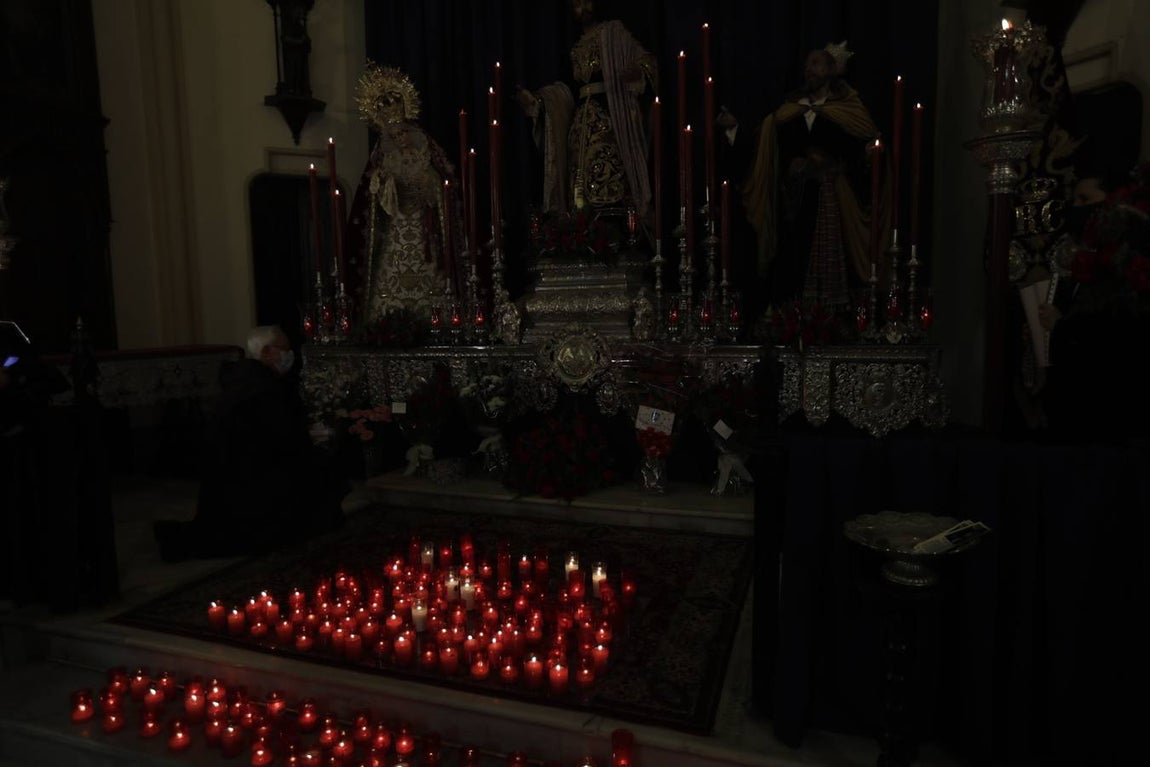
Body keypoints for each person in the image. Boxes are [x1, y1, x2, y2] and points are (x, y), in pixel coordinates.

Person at [154, 325, 346, 560]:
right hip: (252, 483)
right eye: (284, 350)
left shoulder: (242, 379)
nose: (289, 356)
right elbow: (285, 444)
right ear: (266, 352)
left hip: (235, 475)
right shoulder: (261, 390)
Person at [730, 42, 882, 310]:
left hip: (831, 198)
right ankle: (791, 318)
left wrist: (867, 154)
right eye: (807, 64)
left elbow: (859, 146)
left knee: (830, 257)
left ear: (832, 69)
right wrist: (734, 131)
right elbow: (763, 146)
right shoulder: (789, 110)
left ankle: (831, 322)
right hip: (793, 202)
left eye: (816, 63)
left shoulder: (847, 109)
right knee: (793, 258)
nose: (809, 69)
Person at [516, 0, 657, 223]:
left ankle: (616, 228)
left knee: (609, 178)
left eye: (586, 1)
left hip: (609, 121)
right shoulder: (576, 48)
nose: (582, 7)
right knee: (579, 185)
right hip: (580, 127)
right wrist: (540, 100)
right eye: (576, 3)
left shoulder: (614, 33)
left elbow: (646, 60)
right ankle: (583, 233)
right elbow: (565, 91)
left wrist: (637, 71)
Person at [347, 63, 459, 321]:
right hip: (396, 226)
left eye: (403, 133)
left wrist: (428, 181)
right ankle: (389, 321)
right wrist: (384, 183)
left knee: (431, 276)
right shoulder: (382, 157)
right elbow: (371, 199)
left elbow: (444, 182)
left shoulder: (425, 148)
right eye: (394, 135)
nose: (400, 138)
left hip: (424, 227)